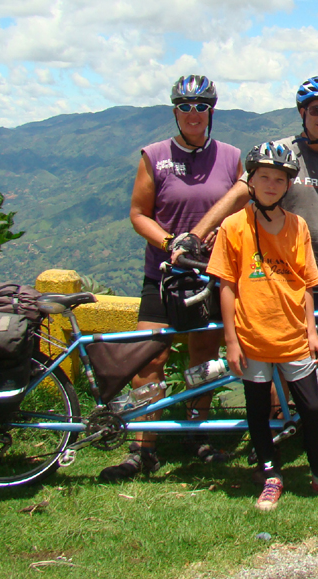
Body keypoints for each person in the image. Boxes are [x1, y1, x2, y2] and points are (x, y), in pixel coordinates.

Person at [180, 75, 318, 459]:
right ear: (302, 113)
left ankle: (305, 428)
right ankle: (269, 435)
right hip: (278, 282)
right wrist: (196, 234)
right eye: (315, 109)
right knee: (276, 360)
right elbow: (240, 192)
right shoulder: (281, 153)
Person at [207, 142, 318, 511]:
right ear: (251, 181)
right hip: (252, 333)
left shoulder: (298, 226)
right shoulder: (233, 226)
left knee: (311, 406)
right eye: (264, 177)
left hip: (292, 333)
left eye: (280, 179)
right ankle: (270, 475)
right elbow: (226, 286)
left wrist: (311, 332)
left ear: (288, 184)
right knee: (258, 409)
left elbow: (306, 283)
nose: (272, 185)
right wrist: (231, 340)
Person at [100, 75, 243, 481]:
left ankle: (198, 436)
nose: (193, 113)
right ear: (174, 110)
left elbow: (241, 206)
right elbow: (138, 214)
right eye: (185, 105)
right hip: (162, 275)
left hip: (210, 276)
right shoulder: (155, 155)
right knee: (150, 357)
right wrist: (170, 241)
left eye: (201, 106)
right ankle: (142, 447)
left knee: (203, 355)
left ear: (211, 111)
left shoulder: (231, 157)